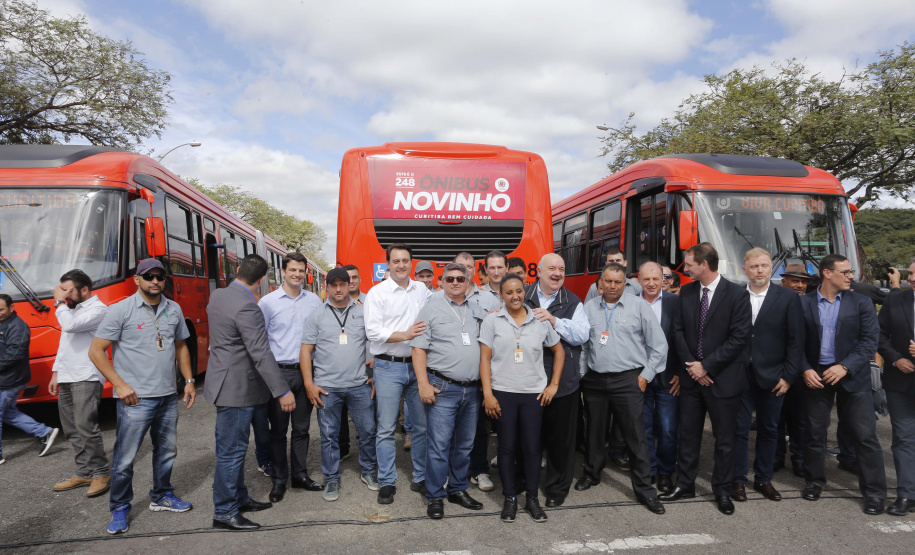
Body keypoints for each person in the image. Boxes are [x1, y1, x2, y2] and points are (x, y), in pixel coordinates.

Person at [89, 259, 196, 535]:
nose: (155, 281)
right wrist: (119, 385)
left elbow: (181, 346)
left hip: (167, 397)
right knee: (125, 458)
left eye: (160, 277)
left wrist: (189, 381)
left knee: (166, 452)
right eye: (148, 276)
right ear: (137, 279)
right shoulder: (120, 310)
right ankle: (120, 507)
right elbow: (96, 351)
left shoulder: (174, 309)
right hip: (135, 400)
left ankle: (161, 496)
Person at [204, 254, 297, 530]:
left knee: (231, 450)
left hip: (223, 381)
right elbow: (260, 353)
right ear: (261, 280)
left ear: (237, 271)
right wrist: (282, 390)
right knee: (232, 453)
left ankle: (239, 497)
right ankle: (224, 511)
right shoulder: (248, 307)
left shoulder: (219, 296)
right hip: (237, 388)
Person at [660, 243, 751, 516]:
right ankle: (685, 484)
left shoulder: (736, 294)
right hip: (691, 379)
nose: (684, 269)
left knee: (725, 439)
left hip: (722, 380)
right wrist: (693, 368)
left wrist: (706, 367)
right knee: (687, 436)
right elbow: (678, 333)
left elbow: (739, 338)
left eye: (688, 265)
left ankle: (722, 491)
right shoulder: (686, 292)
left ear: (704, 265)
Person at [576, 263, 667, 515]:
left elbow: (659, 345)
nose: (613, 286)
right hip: (595, 381)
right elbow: (584, 346)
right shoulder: (589, 307)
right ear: (601, 283)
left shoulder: (639, 307)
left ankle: (645, 490)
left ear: (626, 284)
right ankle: (592, 474)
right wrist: (583, 374)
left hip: (629, 380)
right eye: (608, 281)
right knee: (594, 431)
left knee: (635, 437)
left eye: (618, 282)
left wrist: (646, 376)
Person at [799, 254, 887, 515]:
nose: (851, 276)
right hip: (816, 376)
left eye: (851, 272)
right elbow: (794, 342)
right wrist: (804, 368)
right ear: (827, 273)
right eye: (846, 272)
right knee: (814, 434)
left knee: (865, 436)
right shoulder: (803, 303)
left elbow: (869, 341)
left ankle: (874, 493)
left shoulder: (861, 302)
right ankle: (814, 482)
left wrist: (845, 366)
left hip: (852, 375)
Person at [480, 273, 563, 524]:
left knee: (531, 448)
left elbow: (558, 352)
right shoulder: (492, 320)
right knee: (506, 447)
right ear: (501, 295)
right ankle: (510, 498)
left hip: (532, 394)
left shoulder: (540, 320)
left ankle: (532, 499)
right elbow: (484, 359)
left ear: (524, 291)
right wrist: (487, 393)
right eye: (508, 292)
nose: (514, 296)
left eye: (518, 291)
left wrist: (553, 385)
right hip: (503, 392)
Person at [413, 263, 486, 519]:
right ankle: (435, 495)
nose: (455, 282)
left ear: (468, 282)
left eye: (460, 278)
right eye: (450, 278)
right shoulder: (430, 308)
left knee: (464, 445)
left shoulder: (477, 309)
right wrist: (423, 384)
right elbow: (419, 349)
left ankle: (457, 489)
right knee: (439, 445)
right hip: (442, 388)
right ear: (442, 281)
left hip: (472, 389)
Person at [732, 249, 804, 503]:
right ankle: (738, 480)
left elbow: (796, 341)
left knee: (769, 429)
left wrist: (788, 376)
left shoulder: (787, 297)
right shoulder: (734, 295)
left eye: (764, 265)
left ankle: (763, 479)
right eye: (754, 266)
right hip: (739, 375)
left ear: (770, 268)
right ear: (745, 269)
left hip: (774, 376)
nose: (760, 270)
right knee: (738, 430)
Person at [302, 268, 379, 502]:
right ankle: (332, 479)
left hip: (359, 385)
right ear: (327, 287)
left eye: (342, 284)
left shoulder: (364, 313)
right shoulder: (316, 316)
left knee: (368, 431)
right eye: (333, 285)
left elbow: (375, 344)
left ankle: (368, 471)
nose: (338, 289)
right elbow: (306, 352)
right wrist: (309, 384)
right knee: (329, 435)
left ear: (349, 285)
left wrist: (375, 374)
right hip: (327, 387)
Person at [364, 243, 429, 504]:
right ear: (387, 264)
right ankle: (388, 481)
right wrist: (406, 335)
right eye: (396, 261)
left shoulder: (423, 290)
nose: (401, 265)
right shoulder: (377, 293)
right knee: (386, 428)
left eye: (405, 260)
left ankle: (421, 477)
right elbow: (373, 332)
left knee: (422, 427)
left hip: (418, 365)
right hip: (388, 366)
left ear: (411, 262)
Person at [523, 254, 589, 507]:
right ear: (538, 271)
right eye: (551, 268)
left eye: (561, 269)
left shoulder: (573, 302)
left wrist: (554, 320)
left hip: (563, 382)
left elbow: (582, 335)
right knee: (528, 437)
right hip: (526, 380)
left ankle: (557, 488)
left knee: (561, 440)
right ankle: (524, 482)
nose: (557, 273)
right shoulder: (522, 296)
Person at [258, 253, 325, 503]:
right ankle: (278, 480)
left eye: (301, 270)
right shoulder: (268, 302)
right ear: (283, 272)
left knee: (302, 429)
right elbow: (260, 343)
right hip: (279, 374)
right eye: (292, 270)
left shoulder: (314, 302)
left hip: (306, 373)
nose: (297, 274)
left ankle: (300, 475)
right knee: (278, 431)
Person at [49, 270, 110, 497]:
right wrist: (56, 372)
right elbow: (65, 343)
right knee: (72, 429)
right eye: (61, 290)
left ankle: (101, 473)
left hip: (87, 375)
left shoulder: (98, 309)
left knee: (86, 426)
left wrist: (58, 303)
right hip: (66, 375)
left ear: (85, 289)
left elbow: (71, 327)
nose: (64, 295)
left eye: (68, 290)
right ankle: (84, 471)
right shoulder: (70, 311)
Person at [455, 252, 501, 493]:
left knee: (480, 426)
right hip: (454, 374)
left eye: (470, 266)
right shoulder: (442, 298)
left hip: (482, 372)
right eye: (461, 266)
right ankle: (456, 473)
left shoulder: (490, 299)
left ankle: (480, 470)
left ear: (475, 270)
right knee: (454, 428)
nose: (465, 270)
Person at [0, 294, 60, 466]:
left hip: (10, 380)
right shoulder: (4, 323)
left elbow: (15, 354)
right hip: (5, 378)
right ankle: (44, 432)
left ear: (11, 308)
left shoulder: (18, 327)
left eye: (1, 310)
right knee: (8, 413)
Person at [637, 262, 680, 495]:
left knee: (667, 429)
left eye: (657, 278)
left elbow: (684, 340)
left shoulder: (676, 303)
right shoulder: (631, 302)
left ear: (664, 279)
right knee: (642, 428)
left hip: (668, 378)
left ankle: (665, 472)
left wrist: (682, 374)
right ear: (639, 280)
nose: (652, 283)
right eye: (646, 279)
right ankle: (650, 470)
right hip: (638, 377)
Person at [877, 257, 915, 516]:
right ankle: (906, 494)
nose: (910, 278)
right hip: (901, 382)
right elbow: (878, 335)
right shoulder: (895, 298)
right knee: (903, 439)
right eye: (910, 273)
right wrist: (896, 358)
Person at [774, 263, 814, 476]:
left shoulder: (811, 304)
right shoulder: (774, 303)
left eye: (803, 281)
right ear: (783, 282)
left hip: (803, 372)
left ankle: (798, 457)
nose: (799, 285)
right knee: (776, 417)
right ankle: (776, 456)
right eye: (794, 281)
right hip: (777, 371)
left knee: (800, 420)